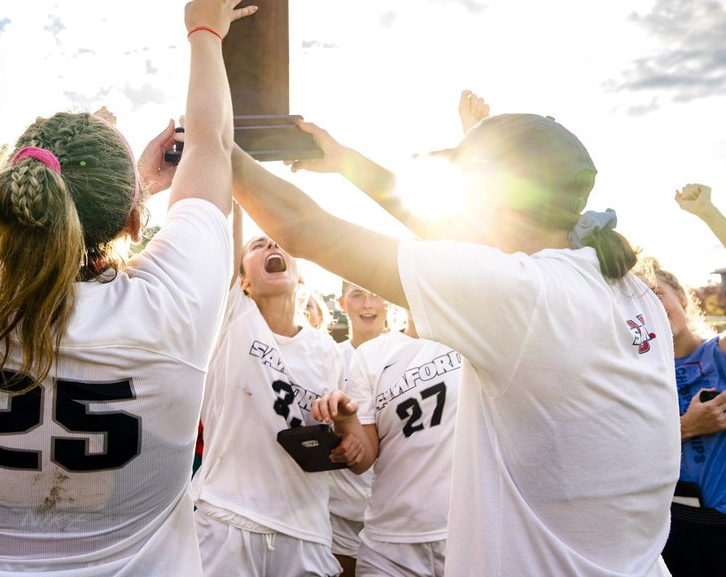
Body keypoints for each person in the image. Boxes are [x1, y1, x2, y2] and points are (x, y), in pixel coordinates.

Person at [234, 112, 679, 576]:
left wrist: (217, 144)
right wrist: (348, 163)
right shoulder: (627, 289)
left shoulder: (525, 297)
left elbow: (303, 227)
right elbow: (462, 242)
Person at [0, 0, 255, 574]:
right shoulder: (169, 308)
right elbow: (213, 145)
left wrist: (129, 185)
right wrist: (206, 35)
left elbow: (45, 253)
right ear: (131, 217)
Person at [192, 219, 347, 576]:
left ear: (301, 276)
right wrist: (234, 167)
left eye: (279, 243)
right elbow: (223, 234)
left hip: (304, 527)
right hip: (228, 517)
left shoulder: (326, 350)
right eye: (258, 245)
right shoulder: (232, 319)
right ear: (243, 281)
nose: (272, 247)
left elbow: (338, 434)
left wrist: (340, 421)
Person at [327, 311, 461, 577]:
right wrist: (346, 420)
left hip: (464, 535)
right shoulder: (372, 354)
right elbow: (363, 460)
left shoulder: (470, 337)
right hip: (389, 545)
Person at [637, 253, 726, 576]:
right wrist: (686, 427)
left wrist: (707, 213)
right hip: (666, 525)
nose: (652, 308)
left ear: (683, 297)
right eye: (640, 302)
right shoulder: (632, 377)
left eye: (657, 294)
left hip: (720, 524)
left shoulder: (717, 355)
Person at [326, 281, 389, 576]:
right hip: (339, 513)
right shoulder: (328, 356)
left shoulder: (408, 356)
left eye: (375, 294)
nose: (367, 304)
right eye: (357, 295)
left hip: (391, 512)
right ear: (342, 302)